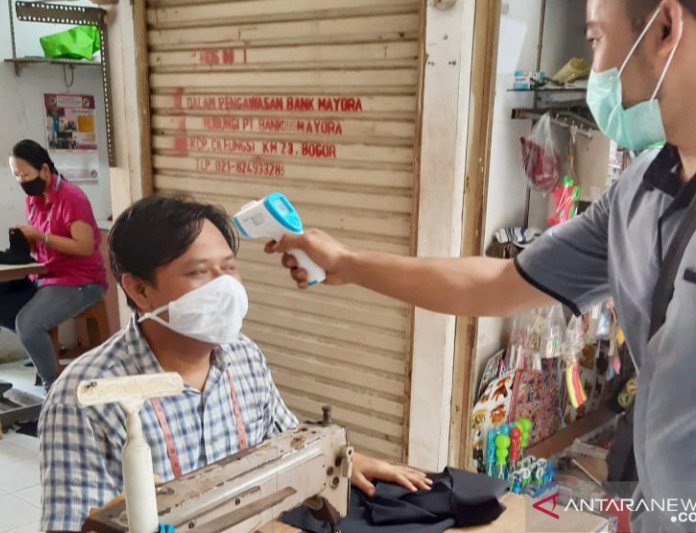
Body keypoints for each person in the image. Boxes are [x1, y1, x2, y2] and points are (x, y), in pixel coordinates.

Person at [269, 1, 696, 531]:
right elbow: (499, 283)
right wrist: (348, 263)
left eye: (595, 37)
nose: (593, 66)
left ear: (664, 27)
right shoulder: (640, 191)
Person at [37, 196, 431, 533]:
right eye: (199, 272)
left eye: (228, 268)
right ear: (139, 289)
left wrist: (345, 459)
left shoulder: (243, 357)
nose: (226, 287)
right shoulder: (84, 399)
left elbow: (287, 440)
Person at [2, 140, 106, 391]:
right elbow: (41, 247)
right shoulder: (34, 199)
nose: (21, 181)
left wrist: (41, 237)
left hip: (81, 280)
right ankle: (40, 346)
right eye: (16, 175)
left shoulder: (72, 198)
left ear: (45, 171)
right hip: (47, 276)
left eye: (25, 174)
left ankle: (54, 386)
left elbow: (85, 246)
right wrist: (25, 242)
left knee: (28, 324)